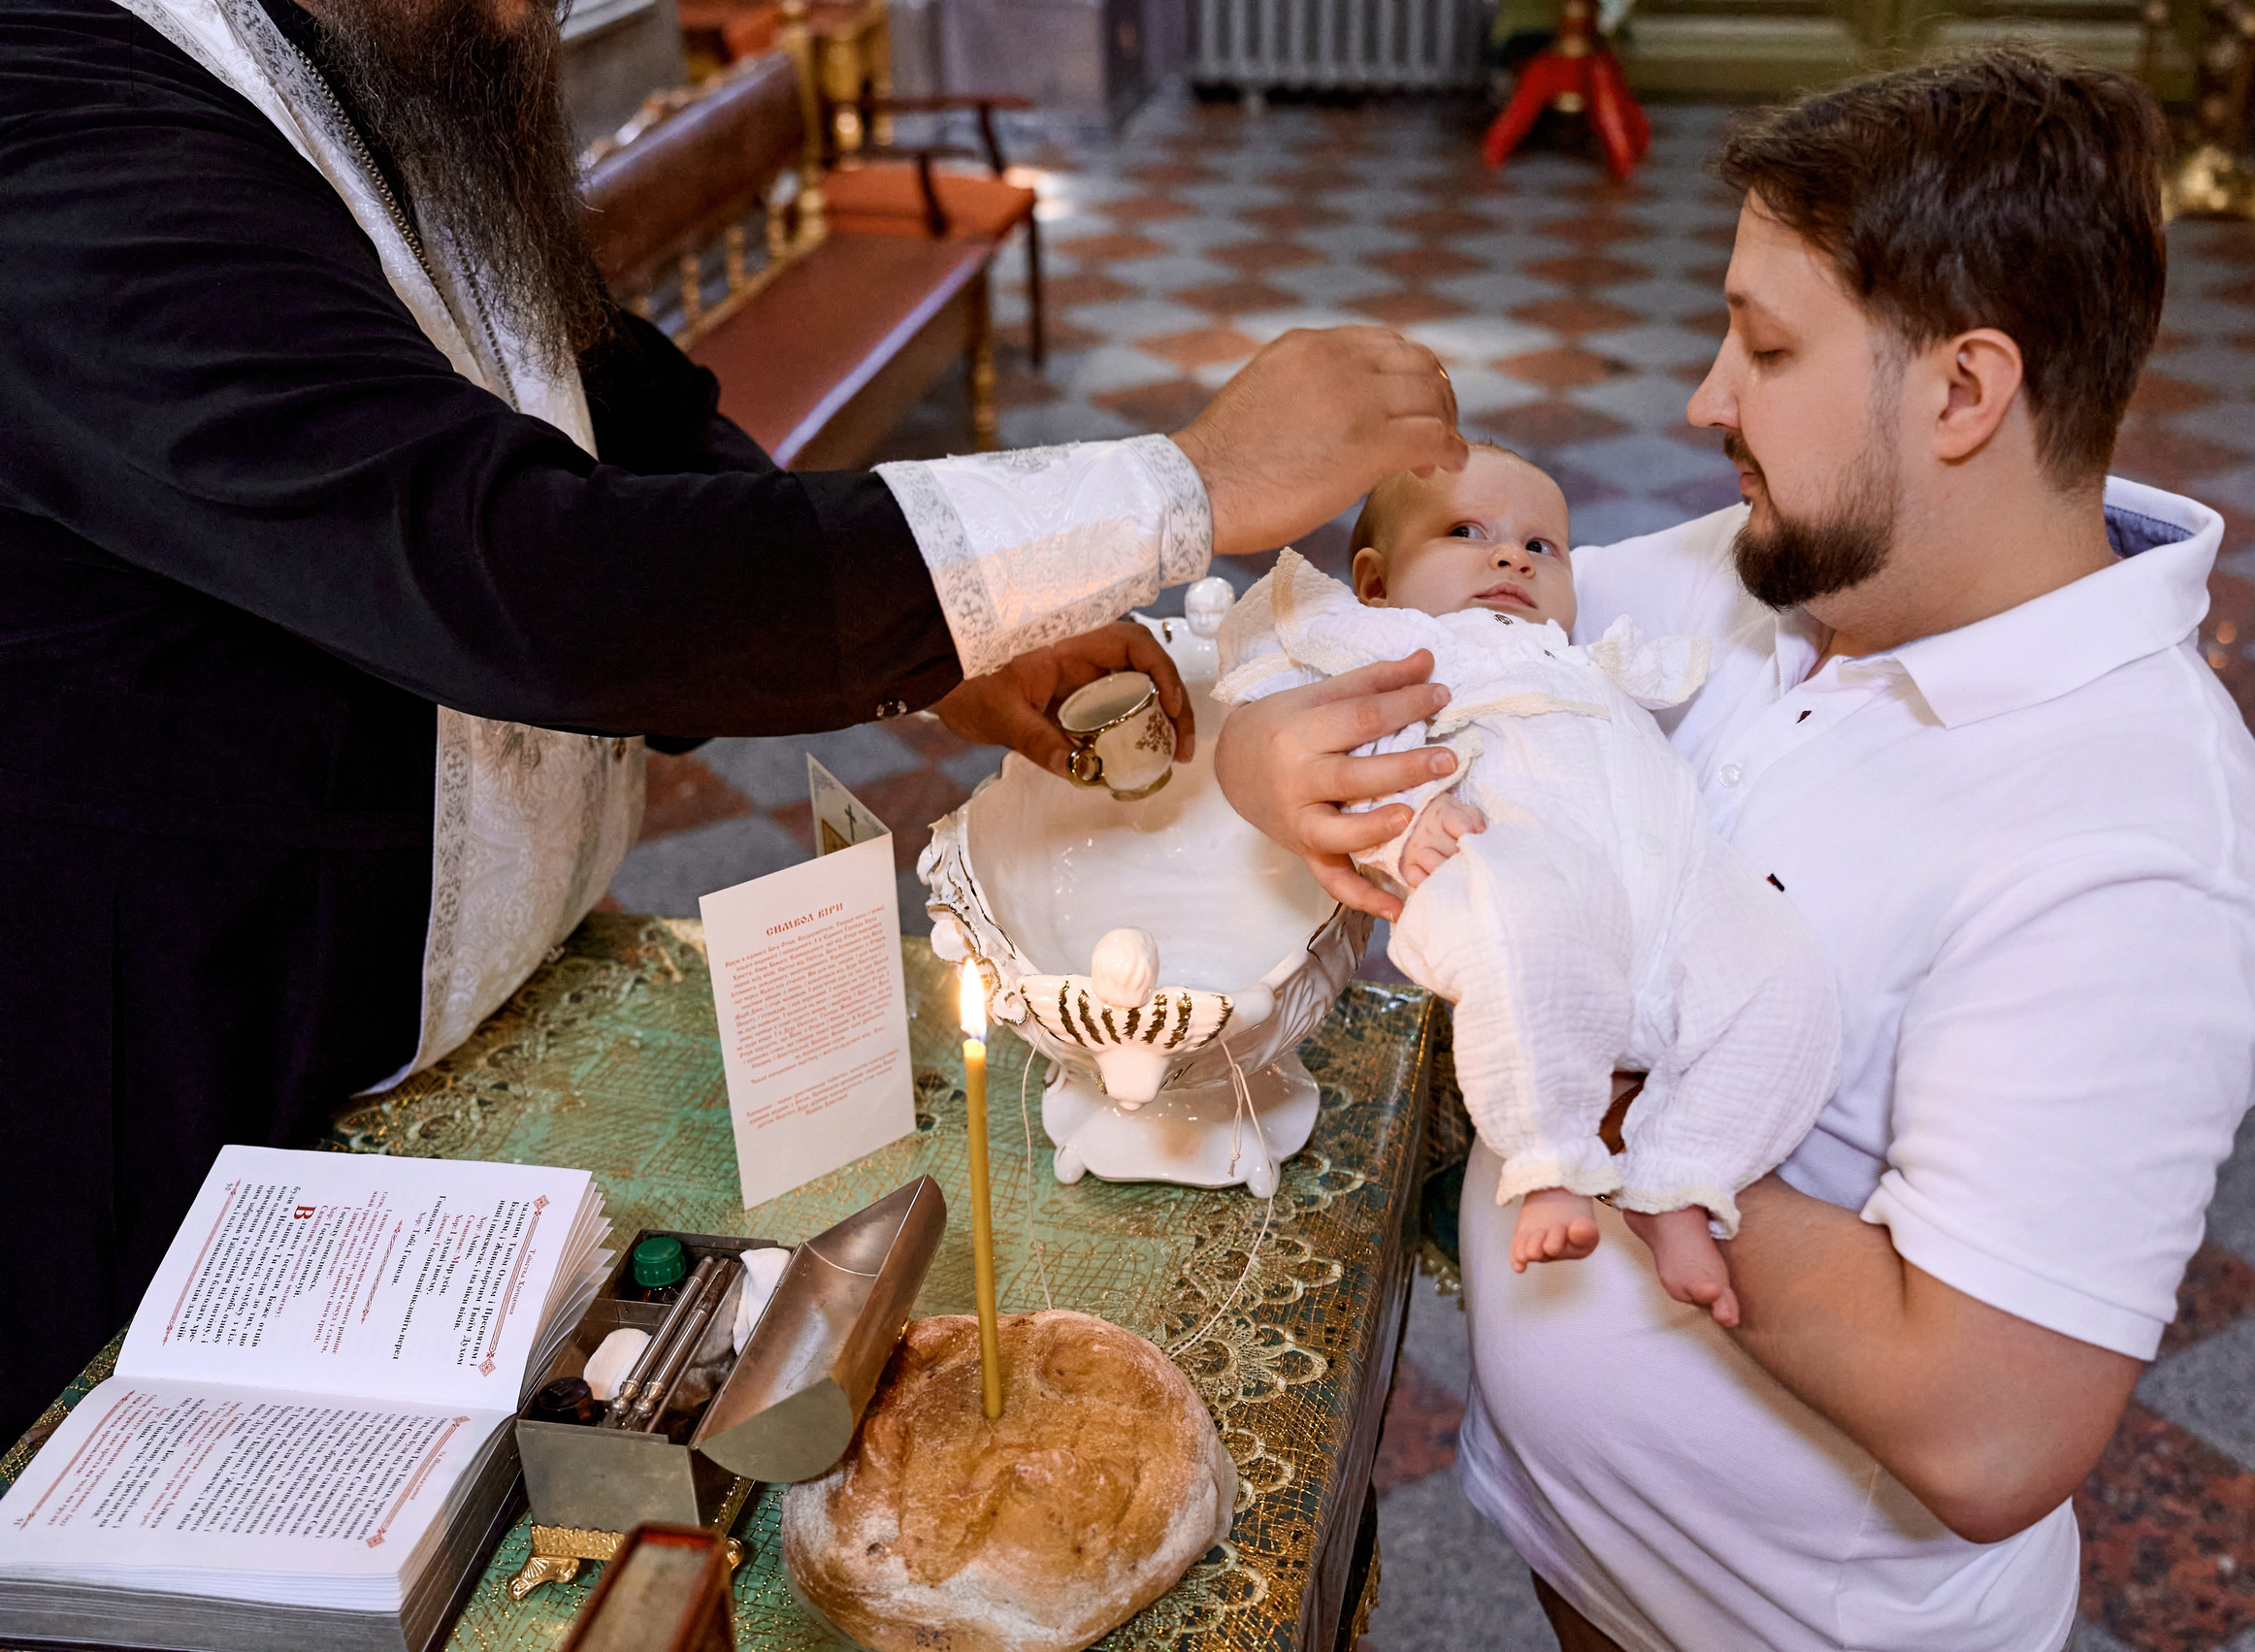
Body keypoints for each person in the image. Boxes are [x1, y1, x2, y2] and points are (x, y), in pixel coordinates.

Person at [0, 0, 1462, 1430]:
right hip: (178, 1087)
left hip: (495, 1019)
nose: (534, 21)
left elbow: (604, 399)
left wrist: (953, 634)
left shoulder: (383, 41)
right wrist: (1182, 485)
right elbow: (527, 571)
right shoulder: (58, 112)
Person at [1216, 47, 2255, 1652]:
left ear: (1962, 391)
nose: (1704, 398)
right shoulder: (1798, 571)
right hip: (1597, 1543)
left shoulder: (2141, 854)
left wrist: (1581, 1063)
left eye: (1767, 346)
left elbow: (1986, 1425)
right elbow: (1443, 642)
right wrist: (1269, 756)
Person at [1212, 450, 1839, 1318]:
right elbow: (1327, 739)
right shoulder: (1393, 645)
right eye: (1467, 532)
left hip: (1679, 880)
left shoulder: (1582, 656)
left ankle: (1685, 1177)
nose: (1512, 558)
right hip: (1518, 861)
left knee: (1786, 978)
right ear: (1377, 581)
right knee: (1522, 928)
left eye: (1542, 545)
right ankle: (1549, 1159)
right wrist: (1410, 810)